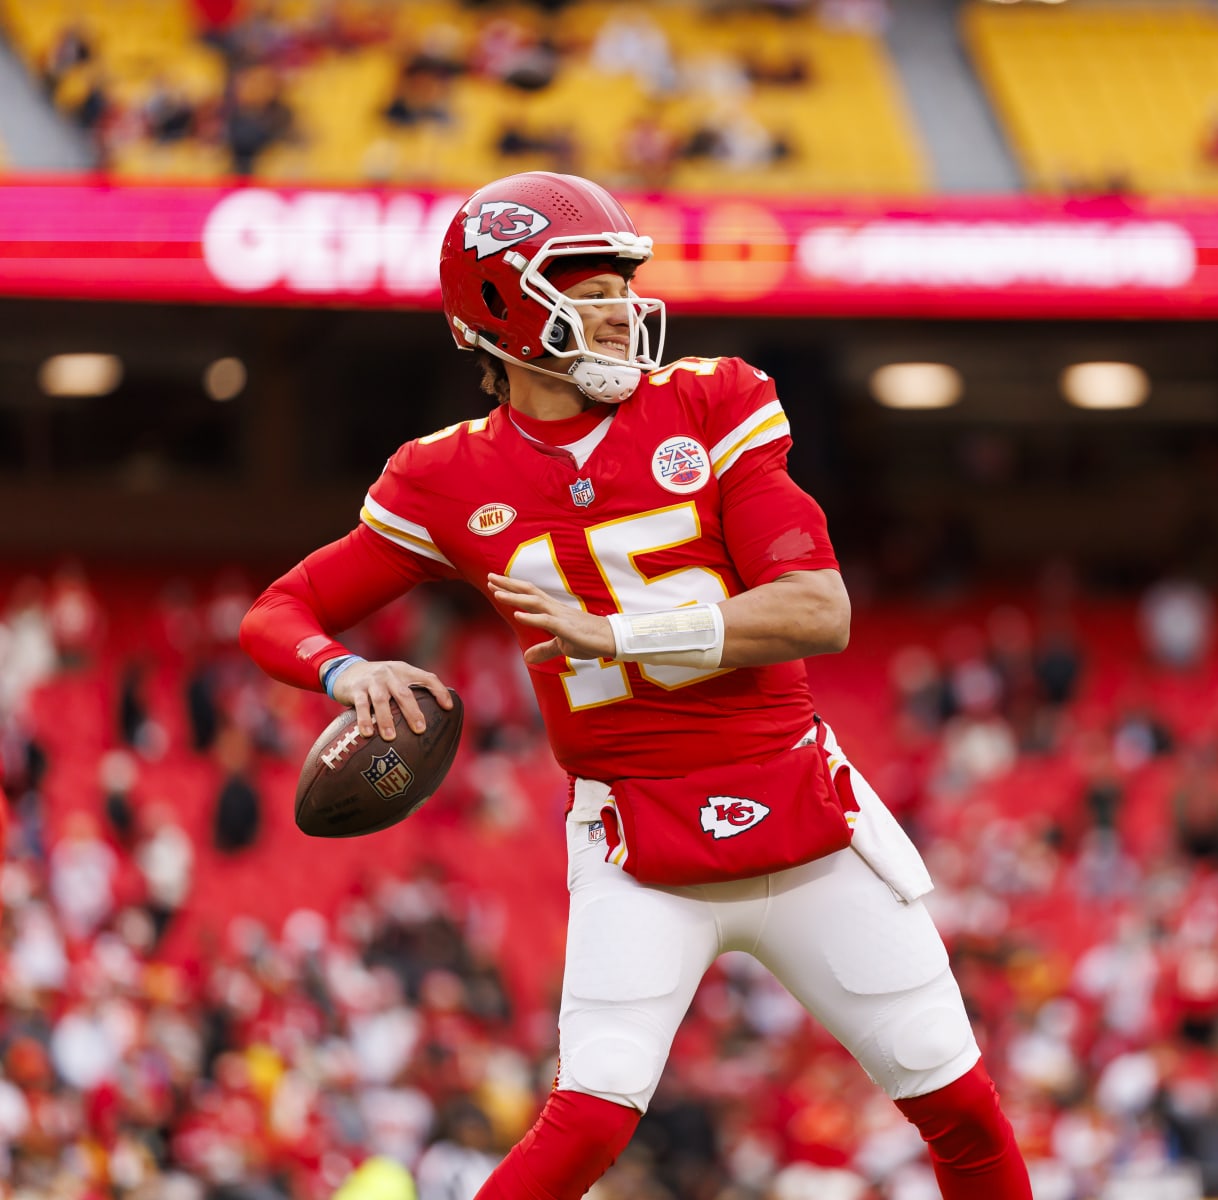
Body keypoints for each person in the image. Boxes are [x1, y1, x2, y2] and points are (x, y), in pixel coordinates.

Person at [239, 171, 1029, 1200]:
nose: (620, 308)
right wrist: (346, 669)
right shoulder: (444, 476)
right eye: (587, 286)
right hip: (635, 837)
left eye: (622, 284)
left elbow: (817, 610)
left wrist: (617, 636)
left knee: (959, 1105)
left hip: (797, 805)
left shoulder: (712, 401)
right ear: (499, 308)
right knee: (585, 1127)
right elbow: (277, 612)